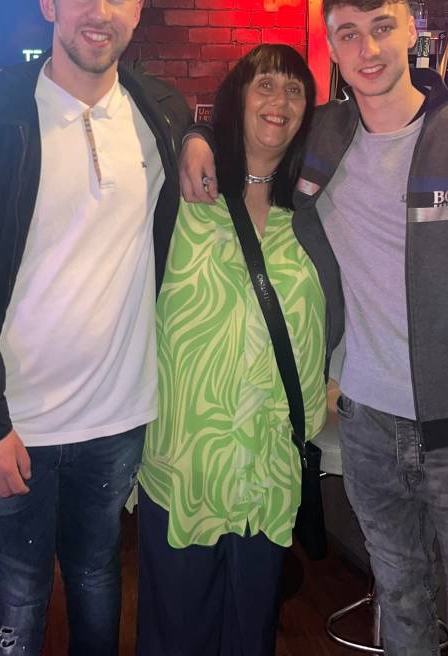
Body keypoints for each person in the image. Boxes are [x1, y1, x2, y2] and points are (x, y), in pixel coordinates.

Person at [180, 0, 448, 656]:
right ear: (333, 48)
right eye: (349, 34)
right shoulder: (324, 135)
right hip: (369, 428)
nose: (368, 48)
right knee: (401, 610)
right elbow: (248, 132)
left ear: (412, 30)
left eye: (382, 27)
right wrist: (195, 136)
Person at [0, 0, 192, 656]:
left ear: (138, 7)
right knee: (16, 598)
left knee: (100, 575)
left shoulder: (161, 117)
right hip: (15, 425)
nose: (98, 11)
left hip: (119, 419)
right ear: (48, 2)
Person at [136, 45, 327, 656]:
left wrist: (337, 374)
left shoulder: (315, 213)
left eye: (295, 91)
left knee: (250, 635)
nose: (280, 102)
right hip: (186, 460)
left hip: (267, 467)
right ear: (236, 98)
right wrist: (195, 134)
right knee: (177, 631)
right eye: (265, 85)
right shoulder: (183, 195)